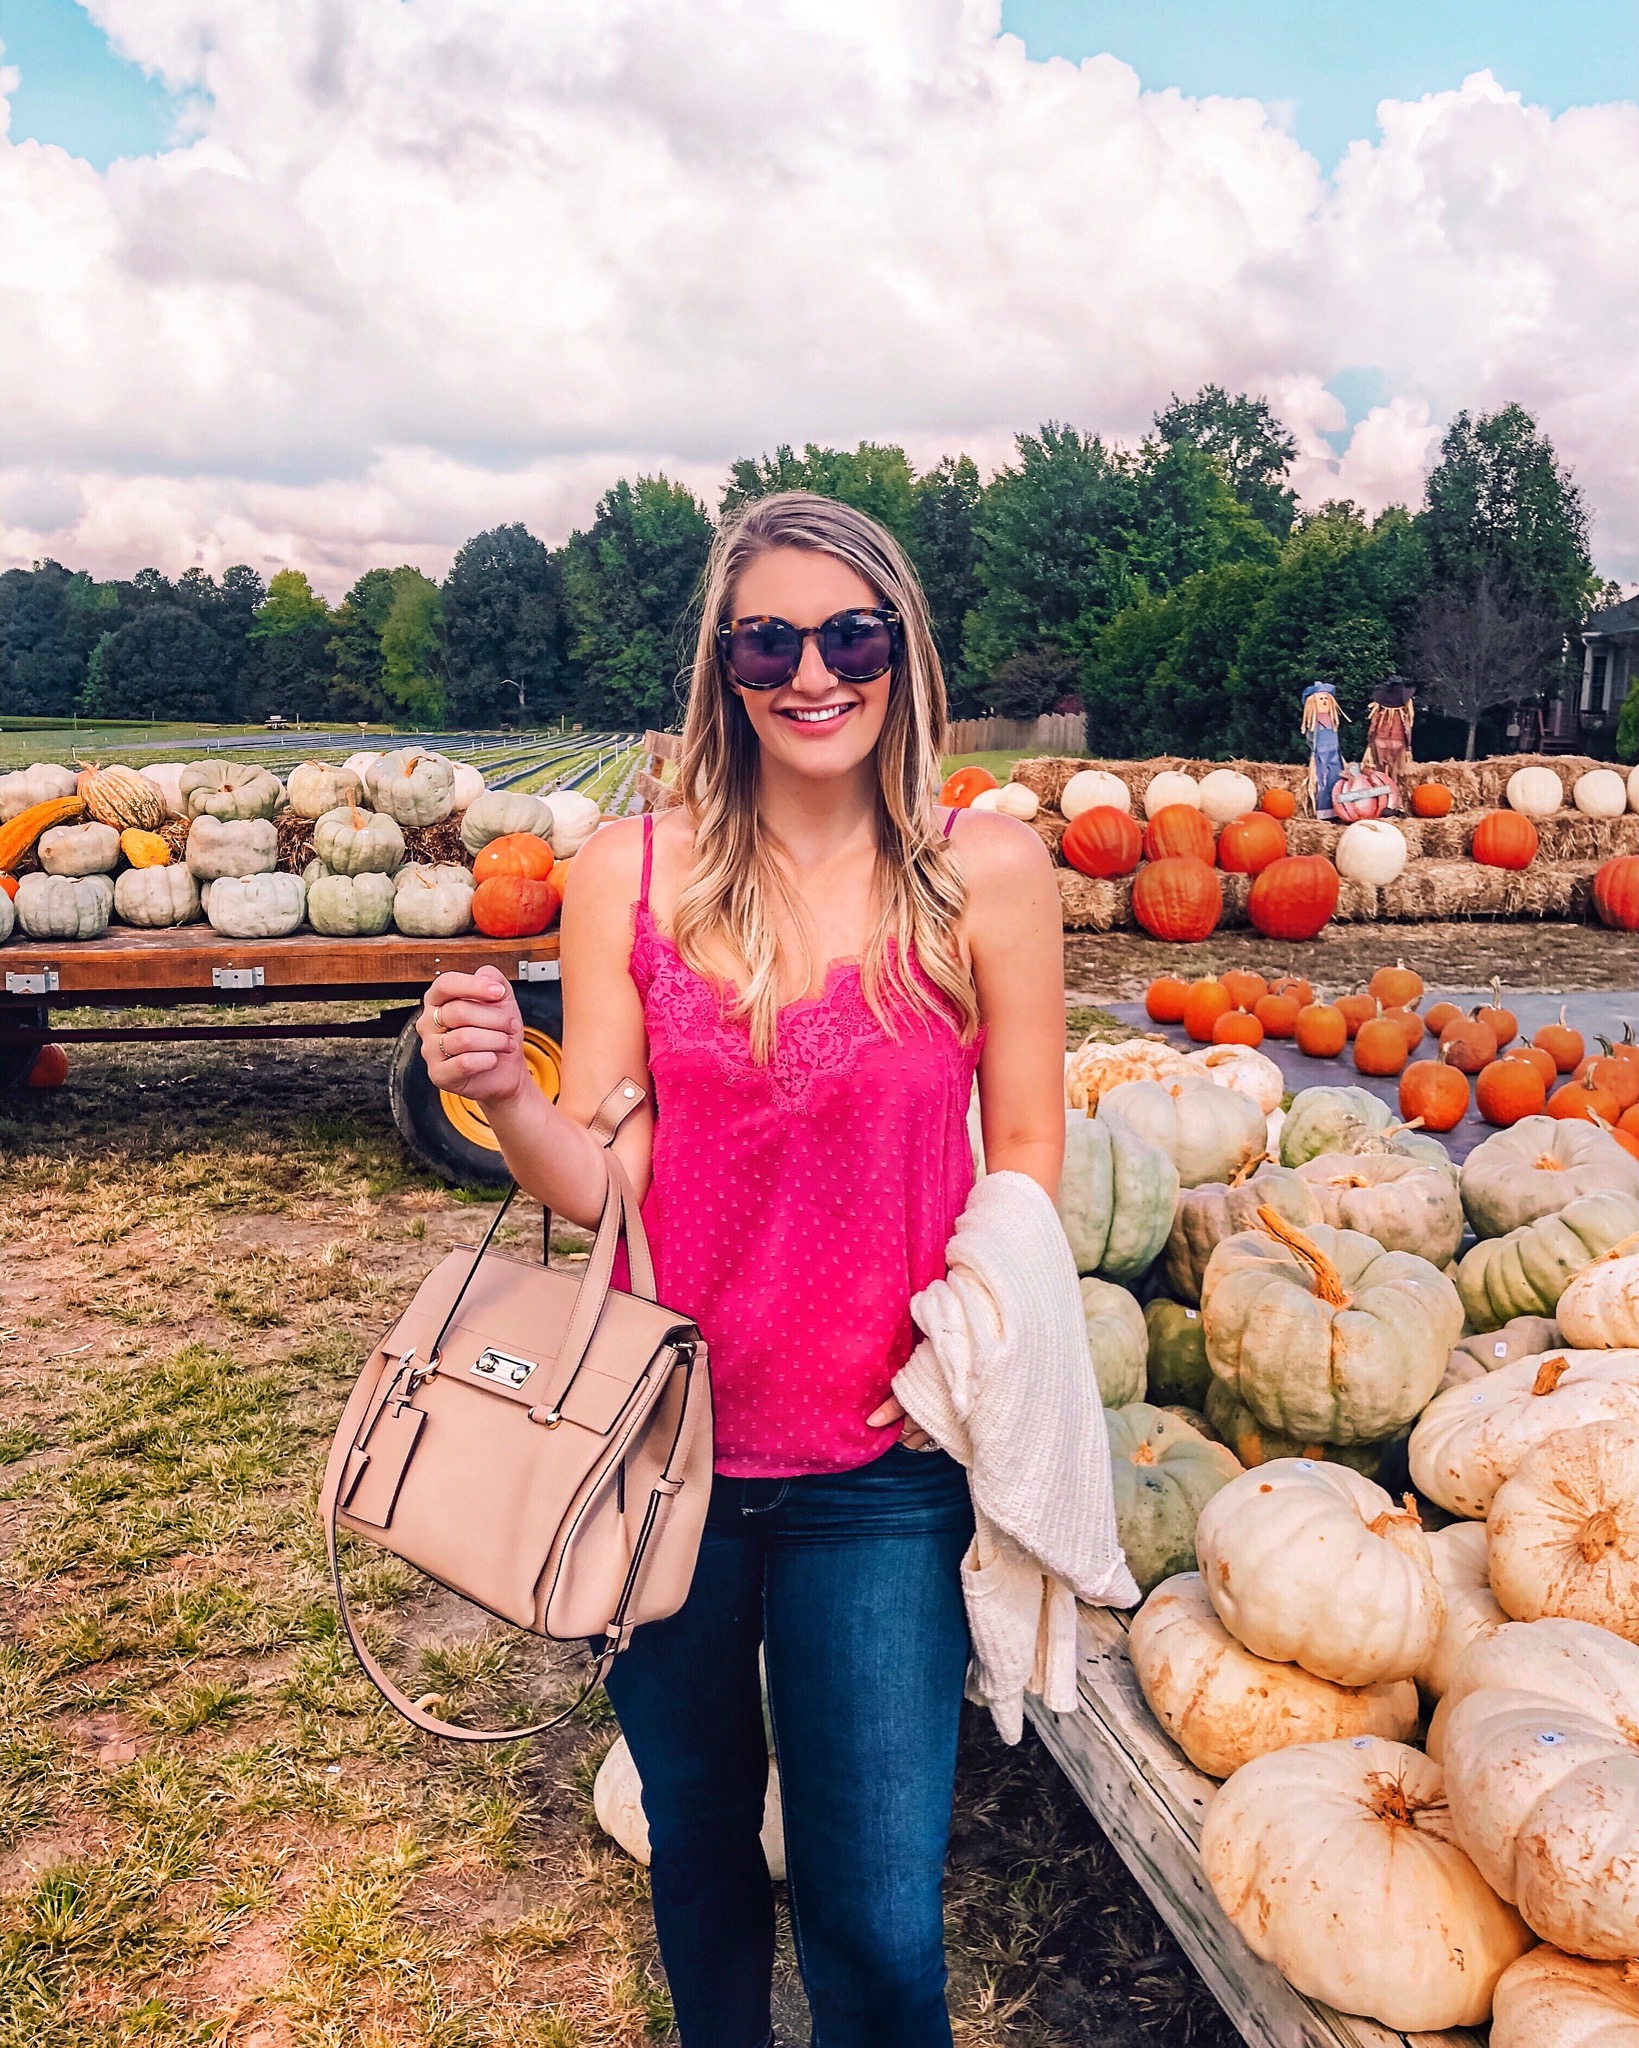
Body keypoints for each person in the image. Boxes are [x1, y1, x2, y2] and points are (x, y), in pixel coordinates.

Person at [415, 492, 1065, 2048]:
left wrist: (966, 1351)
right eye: (769, 638)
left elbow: (1029, 1147)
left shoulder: (989, 869)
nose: (813, 673)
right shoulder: (630, 873)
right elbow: (603, 1184)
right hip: (663, 1454)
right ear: (725, 663)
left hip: (879, 1469)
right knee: (702, 1864)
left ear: (903, 651)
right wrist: (511, 1095)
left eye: (852, 634)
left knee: (880, 1924)